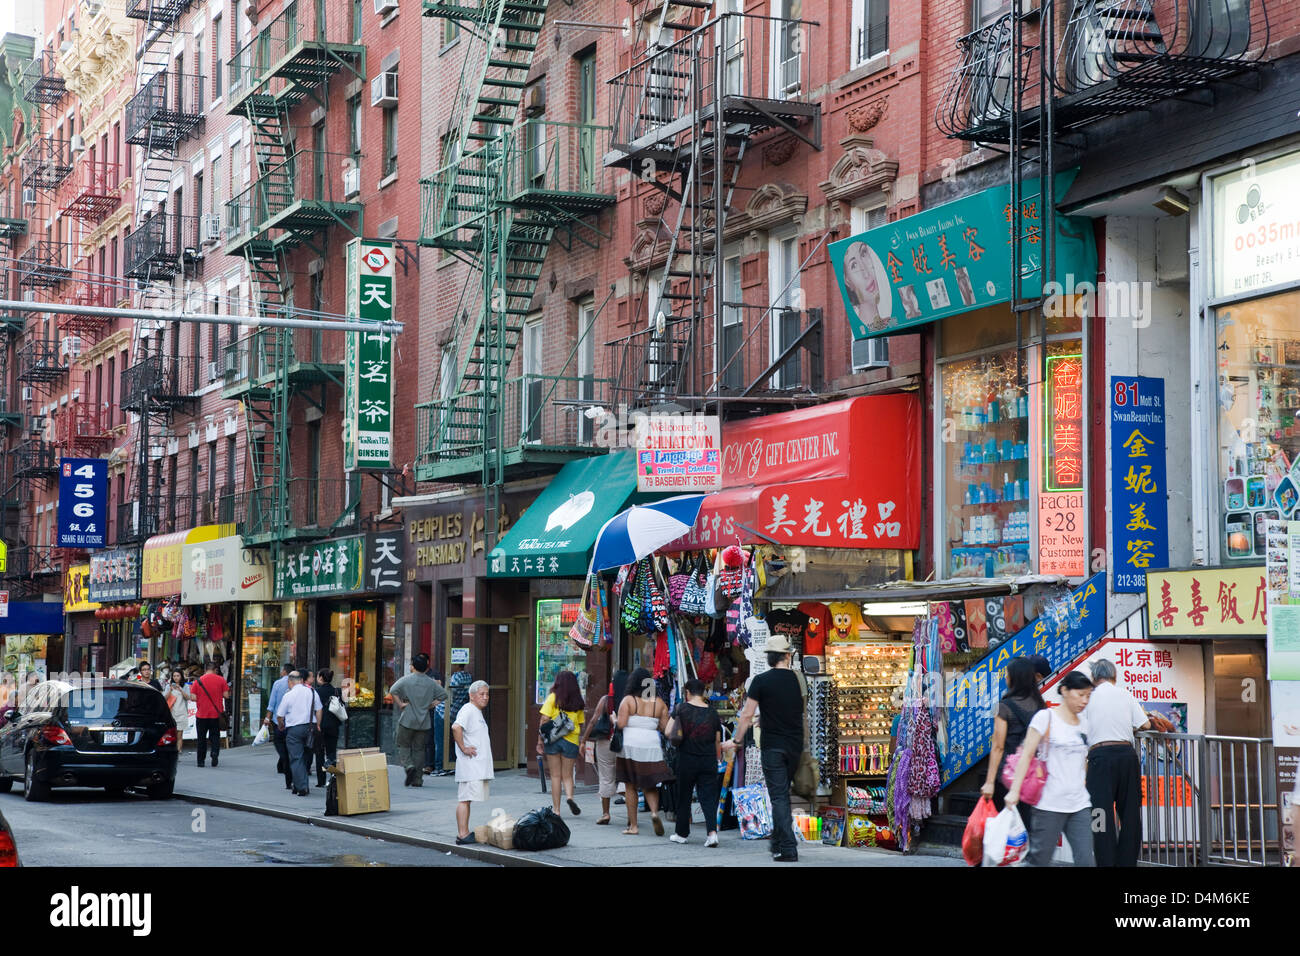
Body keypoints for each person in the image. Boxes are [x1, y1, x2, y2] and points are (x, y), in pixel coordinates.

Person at [724, 634, 805, 862]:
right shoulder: (798, 679)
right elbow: (797, 711)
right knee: (783, 795)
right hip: (794, 745)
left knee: (778, 797)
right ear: (787, 656)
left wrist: (737, 740)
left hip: (773, 746)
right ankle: (777, 842)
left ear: (770, 657)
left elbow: (747, 714)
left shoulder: (761, 680)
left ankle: (788, 847)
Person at [1005, 670, 1096, 867]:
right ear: (1064, 690)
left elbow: (1084, 761)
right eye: (1081, 694)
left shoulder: (1085, 725)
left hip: (1079, 804)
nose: (1085, 700)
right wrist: (1014, 791)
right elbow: (1027, 754)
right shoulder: (1045, 717)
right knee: (1039, 860)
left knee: (1086, 860)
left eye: (1088, 695)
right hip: (1049, 804)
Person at [1084, 658, 1153, 867]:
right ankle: (1127, 862)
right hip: (1126, 755)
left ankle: (1105, 862)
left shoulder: (1088, 698)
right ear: (1114, 676)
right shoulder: (1125, 694)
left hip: (1099, 758)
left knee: (1100, 815)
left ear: (1094, 678)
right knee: (1130, 813)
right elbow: (1146, 723)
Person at [980, 657, 1045, 835]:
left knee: (1002, 829)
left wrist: (989, 782)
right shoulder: (1041, 706)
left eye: (1007, 675)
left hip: (1006, 776)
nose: (1005, 678)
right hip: (1031, 776)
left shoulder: (1004, 707)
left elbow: (998, 746)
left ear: (1014, 678)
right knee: (1026, 826)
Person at [615, 668, 673, 836]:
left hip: (630, 745)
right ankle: (654, 812)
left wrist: (614, 719)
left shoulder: (628, 700)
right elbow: (665, 729)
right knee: (650, 783)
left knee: (630, 785)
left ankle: (633, 826)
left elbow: (621, 724)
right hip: (652, 745)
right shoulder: (659, 703)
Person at [666, 678, 723, 847]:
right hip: (708, 760)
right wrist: (717, 757)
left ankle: (682, 834)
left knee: (684, 796)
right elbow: (717, 741)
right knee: (708, 798)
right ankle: (712, 834)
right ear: (704, 692)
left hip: (686, 759)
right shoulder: (712, 713)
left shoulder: (681, 708)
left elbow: (669, 731)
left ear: (687, 693)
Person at [390, 653, 449, 788]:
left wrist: (400, 704)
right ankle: (417, 779)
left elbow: (393, 690)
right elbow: (443, 695)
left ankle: (408, 765)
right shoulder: (430, 682)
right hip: (424, 721)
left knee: (403, 745)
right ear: (426, 666)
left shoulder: (407, 679)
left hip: (407, 719)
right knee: (419, 750)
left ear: (413, 666)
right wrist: (431, 705)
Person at [579, 669, 626, 825]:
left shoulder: (606, 700)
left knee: (605, 777)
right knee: (626, 777)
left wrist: (583, 740)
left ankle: (606, 813)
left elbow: (593, 720)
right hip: (625, 742)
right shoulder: (631, 700)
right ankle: (631, 815)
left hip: (606, 741)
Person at [538, 669, 586, 817]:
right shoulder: (578, 700)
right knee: (567, 775)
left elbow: (544, 719)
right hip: (571, 740)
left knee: (555, 776)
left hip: (553, 740)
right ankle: (570, 797)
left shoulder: (553, 697)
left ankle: (557, 810)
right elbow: (581, 722)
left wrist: (540, 740)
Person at [452, 680, 494, 845]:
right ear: (472, 695)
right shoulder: (468, 709)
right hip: (470, 765)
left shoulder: (475, 711)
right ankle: (462, 834)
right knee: (465, 799)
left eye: (487, 694)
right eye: (481, 694)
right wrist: (463, 748)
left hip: (475, 766)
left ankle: (464, 832)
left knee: (467, 799)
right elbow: (456, 727)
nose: (485, 697)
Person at [276, 671, 321, 797]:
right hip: (310, 728)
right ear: (301, 680)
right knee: (306, 757)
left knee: (296, 758)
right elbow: (319, 709)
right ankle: (300, 784)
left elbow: (280, 715)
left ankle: (301, 787)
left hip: (294, 729)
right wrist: (318, 724)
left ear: (290, 682)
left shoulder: (288, 695)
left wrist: (280, 724)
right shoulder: (312, 691)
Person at [841, 241, 890, 333]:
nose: (866, 273)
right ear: (847, 281)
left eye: (863, 253)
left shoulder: (889, 321)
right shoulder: (862, 329)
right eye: (854, 265)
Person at [191, 660, 230, 768]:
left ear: (206, 669)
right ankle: (214, 753)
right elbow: (226, 696)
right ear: (215, 670)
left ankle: (200, 761)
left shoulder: (197, 681)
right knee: (215, 736)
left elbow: (193, 698)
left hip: (201, 714)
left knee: (201, 738)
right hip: (216, 715)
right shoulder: (221, 680)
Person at [264, 662, 295, 788]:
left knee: (280, 745)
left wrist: (267, 717)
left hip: (279, 721)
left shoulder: (277, 683)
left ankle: (284, 761)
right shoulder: (300, 685)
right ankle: (284, 763)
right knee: (289, 748)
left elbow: (272, 703)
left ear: (284, 671)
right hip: (293, 722)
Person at [315, 668, 343, 787]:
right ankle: (333, 777)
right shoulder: (337, 691)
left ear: (321, 677)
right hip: (333, 725)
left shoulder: (316, 692)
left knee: (319, 753)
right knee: (331, 753)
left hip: (320, 726)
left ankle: (321, 780)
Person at [164, 669, 192, 753]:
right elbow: (165, 698)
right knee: (172, 734)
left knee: (180, 734)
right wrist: (170, 690)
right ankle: (171, 751)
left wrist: (181, 690)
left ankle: (178, 751)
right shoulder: (168, 686)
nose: (176, 678)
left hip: (182, 713)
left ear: (181, 676)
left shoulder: (185, 686)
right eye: (174, 676)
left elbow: (188, 698)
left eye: (178, 676)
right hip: (171, 713)